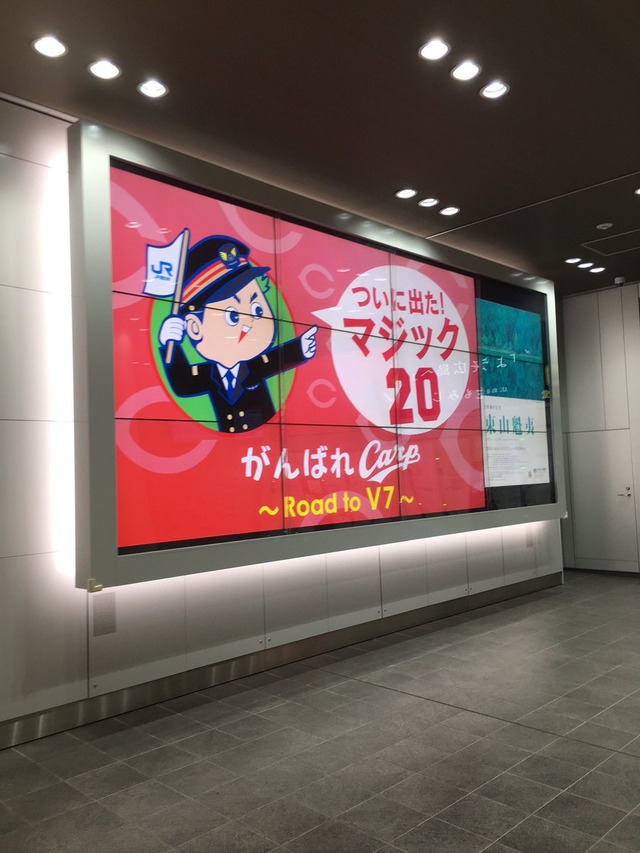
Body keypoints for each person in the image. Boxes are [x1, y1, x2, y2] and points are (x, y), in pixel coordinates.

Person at [159, 235, 317, 432]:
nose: (249, 323)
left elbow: (274, 359)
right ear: (194, 327)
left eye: (257, 310)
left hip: (264, 440)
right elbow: (183, 384)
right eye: (233, 316)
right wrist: (169, 345)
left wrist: (300, 348)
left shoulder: (254, 366)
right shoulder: (206, 375)